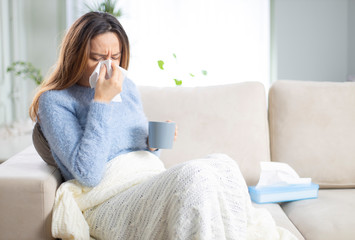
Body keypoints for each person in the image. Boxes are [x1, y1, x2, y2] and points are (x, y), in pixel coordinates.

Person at [30, 12, 293, 240]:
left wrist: (151, 144)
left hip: (147, 180)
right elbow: (88, 173)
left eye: (116, 56)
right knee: (195, 176)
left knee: (224, 165)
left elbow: (135, 147)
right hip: (105, 200)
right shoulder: (55, 101)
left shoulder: (127, 86)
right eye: (97, 58)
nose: (109, 66)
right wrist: (101, 100)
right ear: (75, 56)